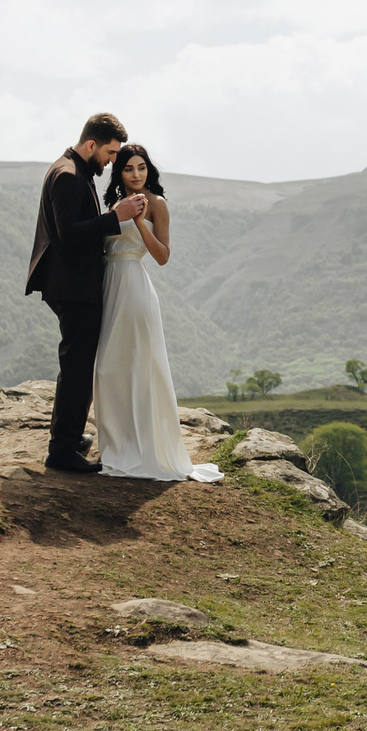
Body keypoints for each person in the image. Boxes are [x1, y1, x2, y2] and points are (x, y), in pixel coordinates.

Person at [91, 145, 224, 483]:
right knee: (109, 369)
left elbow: (163, 256)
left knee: (137, 366)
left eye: (142, 168)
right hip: (109, 285)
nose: (136, 175)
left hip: (134, 285)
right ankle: (117, 447)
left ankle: (142, 450)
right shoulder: (114, 202)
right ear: (118, 172)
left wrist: (138, 221)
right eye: (129, 169)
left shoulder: (157, 204)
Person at [25, 113, 148, 473]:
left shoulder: (73, 169)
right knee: (77, 367)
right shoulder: (67, 175)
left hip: (72, 284)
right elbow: (69, 233)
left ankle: (71, 436)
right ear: (91, 144)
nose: (112, 161)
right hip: (74, 287)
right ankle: (62, 450)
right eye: (110, 153)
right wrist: (117, 216)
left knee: (78, 363)